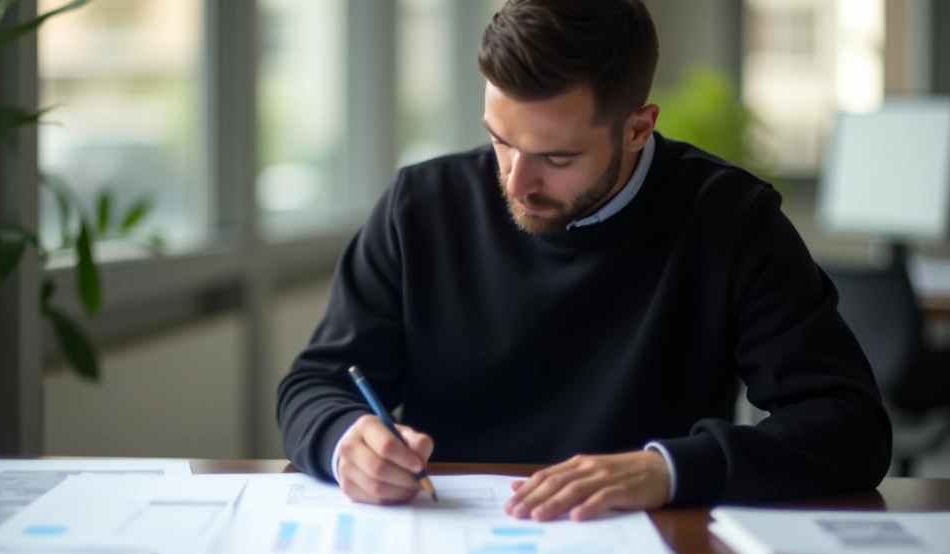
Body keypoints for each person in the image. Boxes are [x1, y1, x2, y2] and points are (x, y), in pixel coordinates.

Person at [277, 0, 891, 521]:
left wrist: (669, 469)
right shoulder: (420, 207)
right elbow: (316, 384)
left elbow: (848, 425)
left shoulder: (730, 218)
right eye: (500, 140)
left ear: (637, 129)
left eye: (557, 158)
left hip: (650, 541)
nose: (516, 182)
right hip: (453, 537)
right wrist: (344, 440)